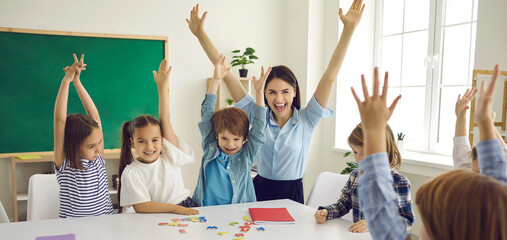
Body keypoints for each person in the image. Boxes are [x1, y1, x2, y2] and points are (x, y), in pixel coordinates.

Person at [187, 0, 364, 203]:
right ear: (265, 93)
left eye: (285, 92)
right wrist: (200, 34)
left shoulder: (308, 118)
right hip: (259, 189)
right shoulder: (257, 112)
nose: (279, 99)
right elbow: (225, 71)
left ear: (294, 91)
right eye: (271, 92)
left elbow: (330, 77)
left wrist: (348, 30)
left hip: (292, 191)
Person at [353, 66, 507, 240]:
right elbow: (497, 194)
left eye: (427, 221)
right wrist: (486, 123)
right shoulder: (494, 227)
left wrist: (374, 130)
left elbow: (381, 216)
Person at [118, 59, 199, 215]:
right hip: (159, 214)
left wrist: (162, 87)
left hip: (184, 207)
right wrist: (173, 208)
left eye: (155, 140)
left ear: (162, 140)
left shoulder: (169, 156)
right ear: (132, 142)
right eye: (141, 141)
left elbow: (165, 119)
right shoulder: (131, 172)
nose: (149, 147)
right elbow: (142, 207)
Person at [192, 54, 268, 206]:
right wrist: (216, 80)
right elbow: (207, 112)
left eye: (236, 139)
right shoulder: (210, 146)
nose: (230, 144)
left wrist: (259, 93)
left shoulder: (247, 155)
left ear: (244, 138)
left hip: (238, 213)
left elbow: (259, 128)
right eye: (224, 138)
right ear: (216, 136)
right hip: (207, 212)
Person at [314, 123, 414, 233]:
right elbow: (343, 205)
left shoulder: (399, 182)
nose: (359, 159)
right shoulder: (355, 176)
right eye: (355, 152)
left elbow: (407, 221)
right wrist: (327, 212)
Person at [53, 53, 114, 218]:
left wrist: (77, 82)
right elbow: (59, 121)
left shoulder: (98, 159)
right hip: (75, 229)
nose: (98, 149)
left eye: (98, 143)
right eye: (91, 146)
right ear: (72, 144)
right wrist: (66, 81)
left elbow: (94, 115)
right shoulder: (64, 163)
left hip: (106, 224)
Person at [453, 88, 507, 172]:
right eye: (477, 171)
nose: (479, 175)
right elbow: (462, 160)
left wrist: (488, 123)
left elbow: (504, 155)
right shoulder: (470, 179)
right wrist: (461, 116)